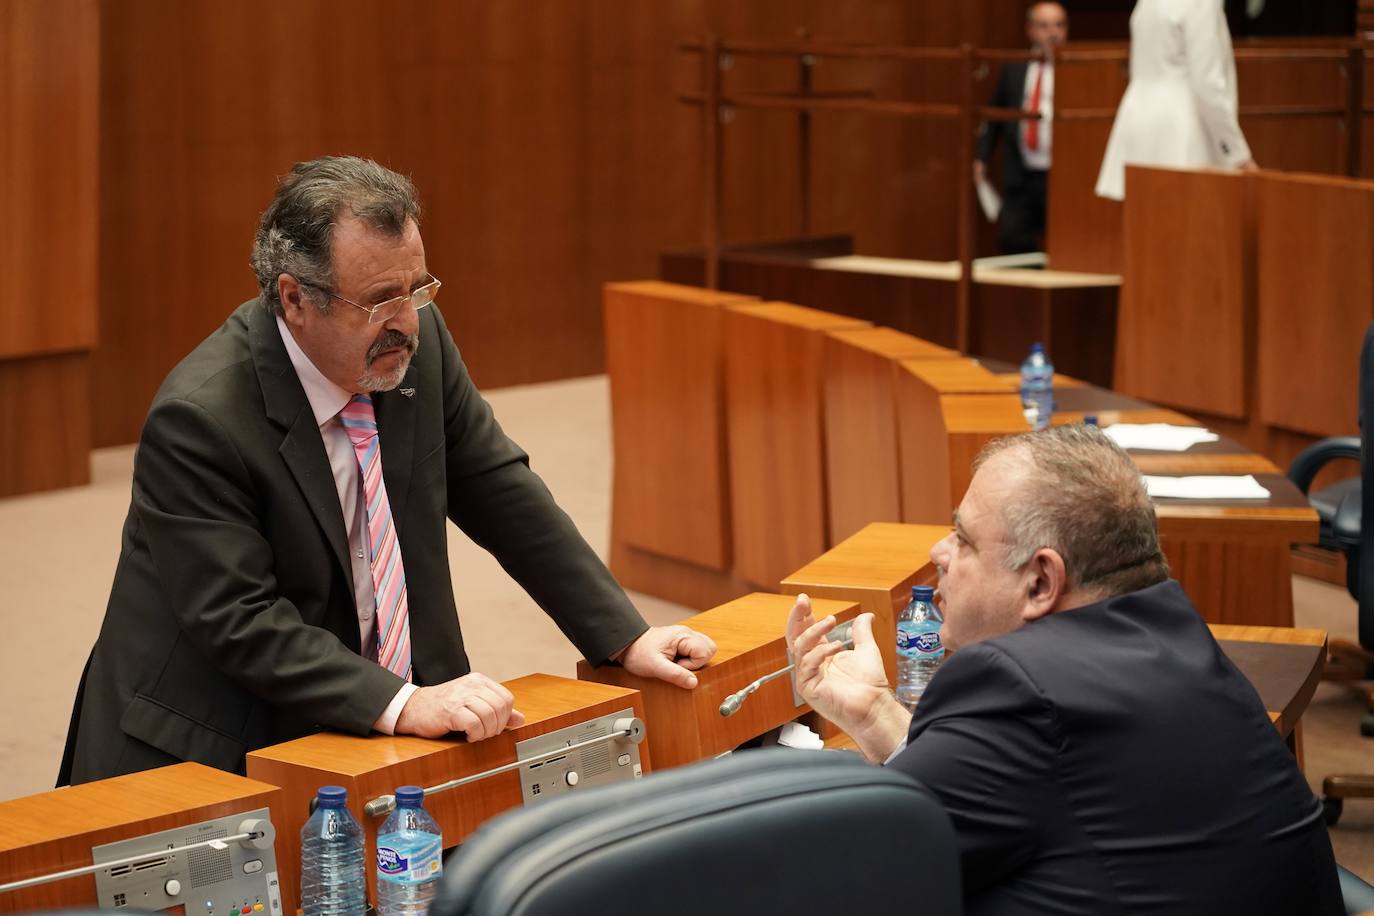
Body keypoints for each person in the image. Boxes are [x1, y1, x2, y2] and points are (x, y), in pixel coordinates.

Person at [59, 156, 716, 784]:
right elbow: (238, 617)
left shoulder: (415, 348)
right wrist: (400, 703)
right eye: (379, 300)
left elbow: (497, 485)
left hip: (359, 697)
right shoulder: (201, 419)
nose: (406, 321)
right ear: (295, 300)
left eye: (416, 288)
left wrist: (624, 637)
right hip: (216, 741)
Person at [787, 425, 1342, 914]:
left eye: (964, 538)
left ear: (1041, 582)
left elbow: (860, 867)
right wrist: (882, 717)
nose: (939, 551)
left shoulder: (1013, 683)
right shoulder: (1175, 634)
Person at [1095, 0, 1258, 201]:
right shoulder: (1201, 3)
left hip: (1139, 124)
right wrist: (1238, 154)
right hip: (1182, 133)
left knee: (1144, 222)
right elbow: (1207, 85)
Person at [974, 2, 1068, 255]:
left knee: (1064, 244)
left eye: (1059, 25)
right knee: (1013, 240)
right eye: (1045, 26)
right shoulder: (1014, 68)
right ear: (1030, 30)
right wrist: (981, 157)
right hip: (1021, 174)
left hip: (1061, 176)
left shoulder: (1075, 70)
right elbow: (995, 114)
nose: (1053, 33)